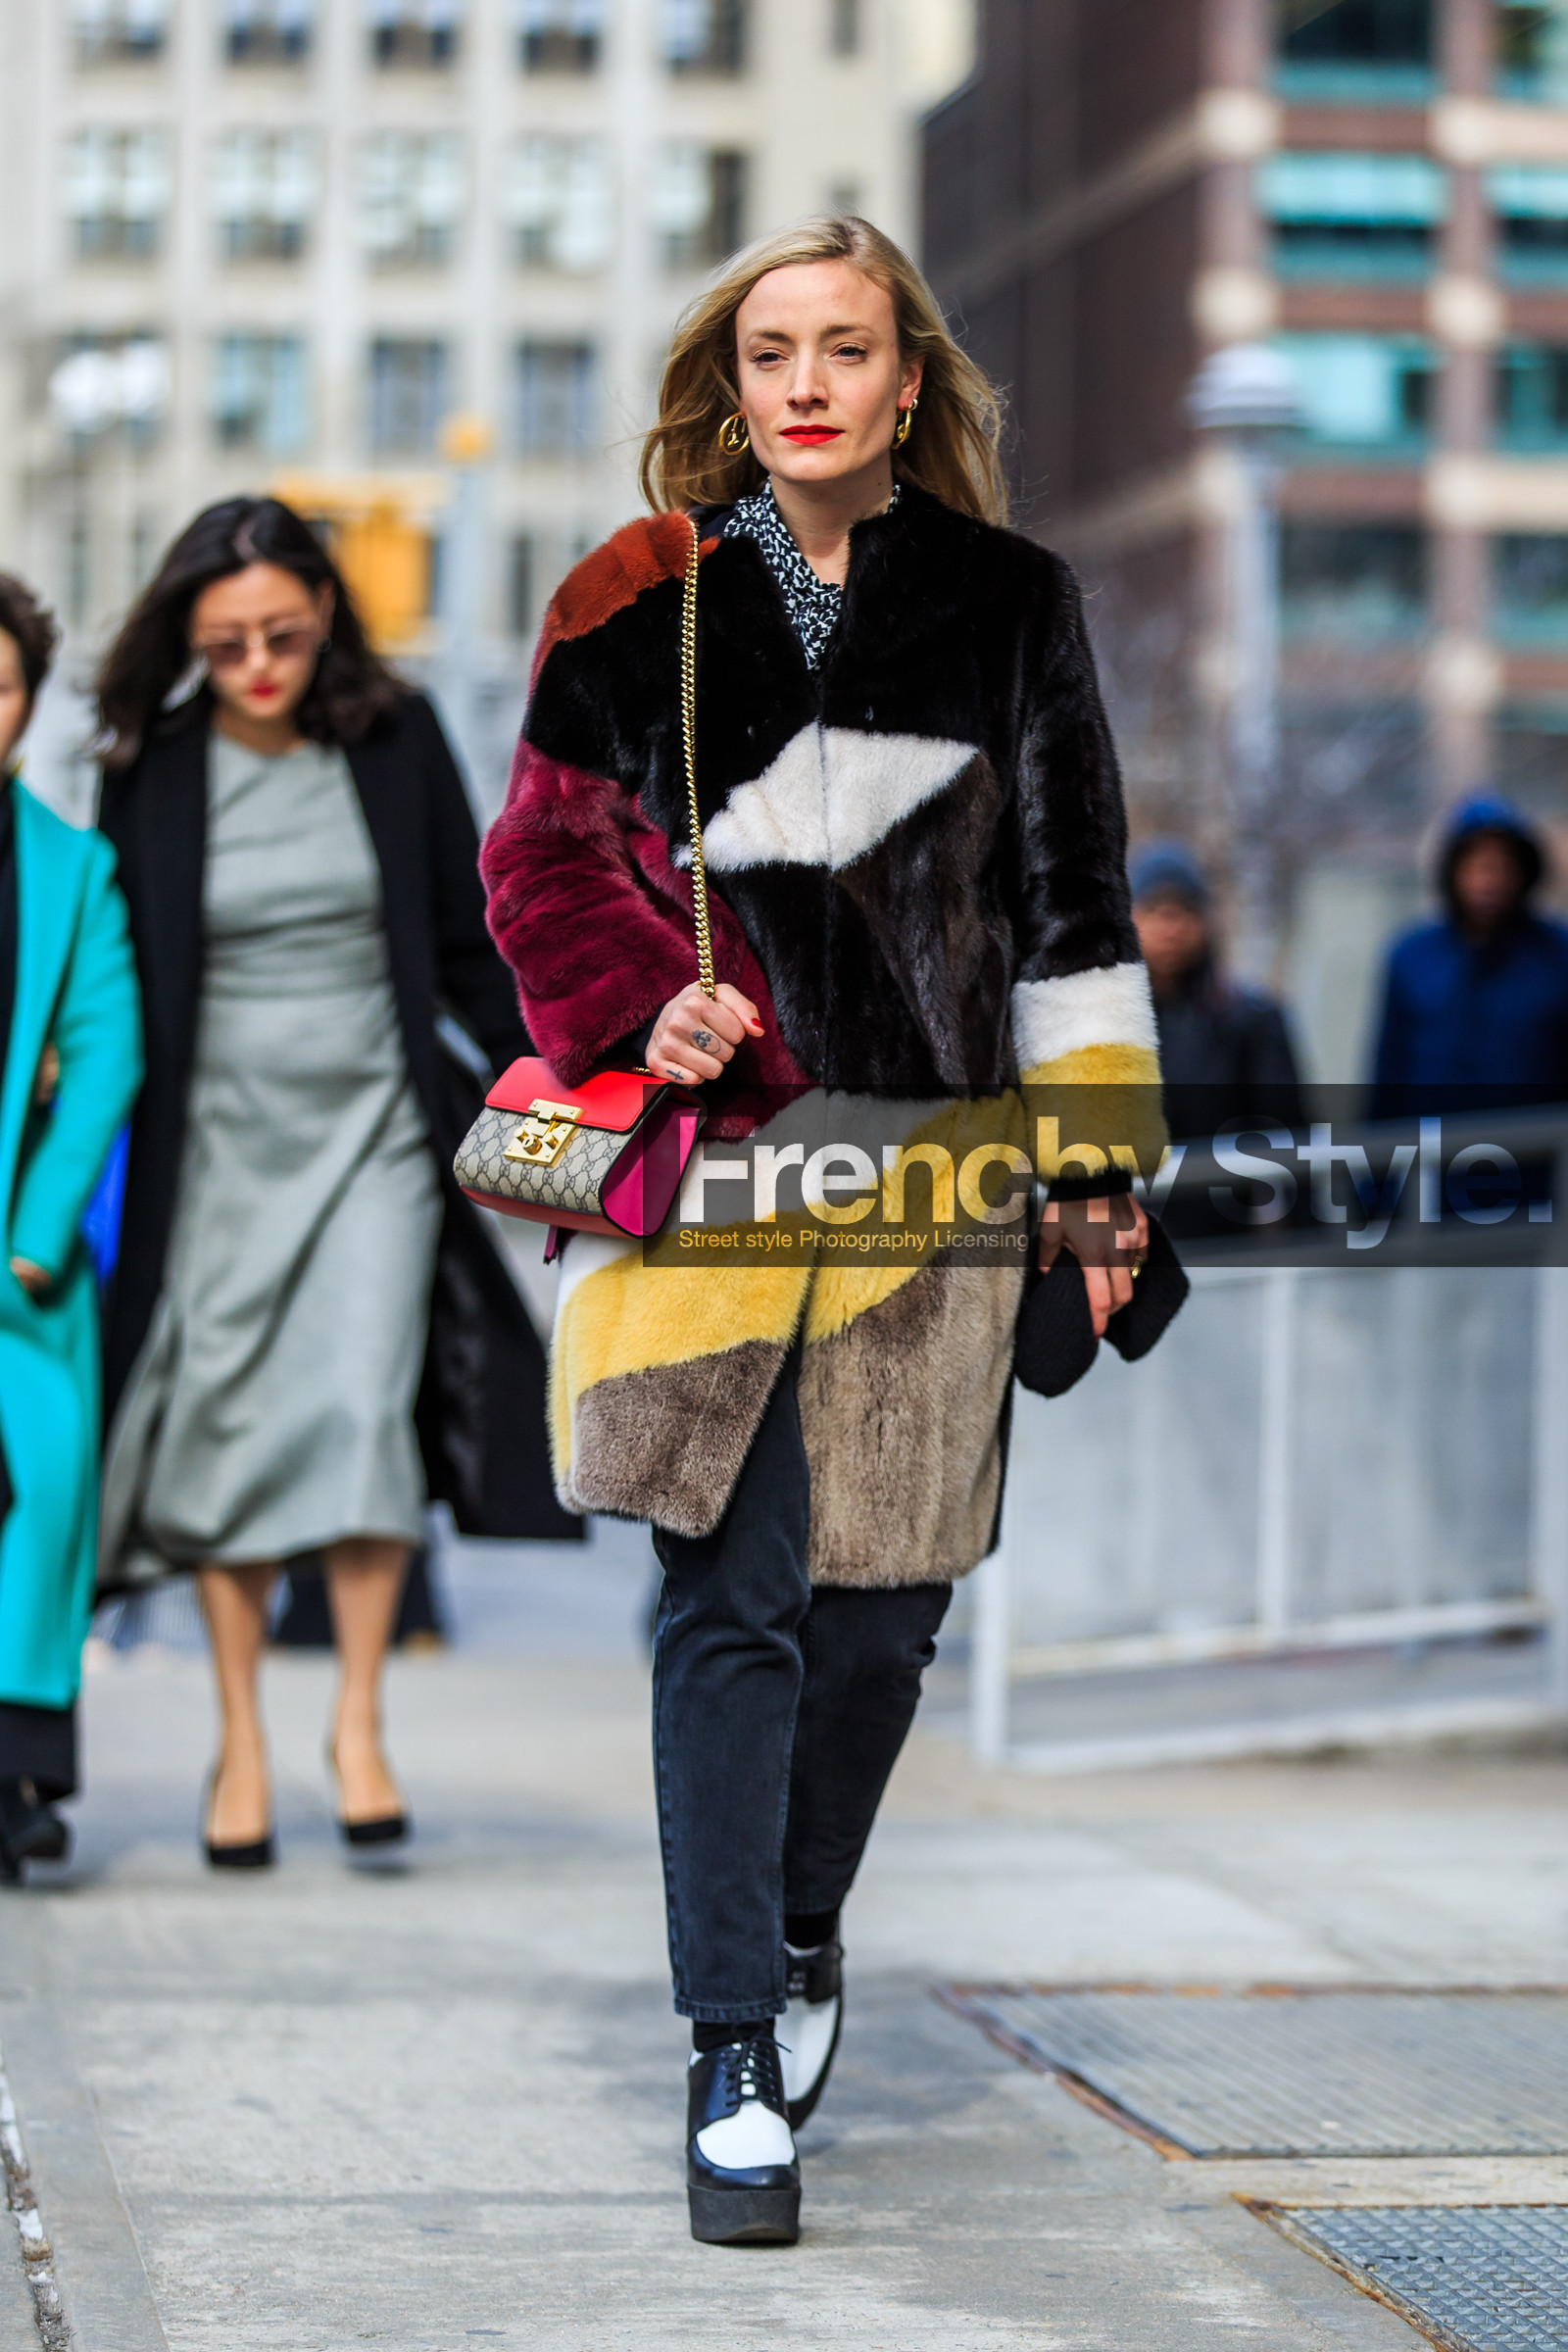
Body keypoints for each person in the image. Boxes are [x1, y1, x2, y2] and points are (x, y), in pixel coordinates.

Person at [480, 215, 1162, 2245]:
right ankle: (725, 2047)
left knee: (881, 1619)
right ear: (731, 378)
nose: (800, 380)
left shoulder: (1012, 607)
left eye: (840, 347)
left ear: (903, 382)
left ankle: (789, 1927)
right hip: (718, 1178)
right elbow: (537, 860)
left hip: (937, 1184)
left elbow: (1074, 901)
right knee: (733, 1595)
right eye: (768, 346)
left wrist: (1097, 1164)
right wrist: (636, 997)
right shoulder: (641, 596)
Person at [95, 497, 573, 1872]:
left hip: (375, 1132)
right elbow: (119, 972)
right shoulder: (153, 767)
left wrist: (548, 1103)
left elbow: (471, 943)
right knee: (227, 1439)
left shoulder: (396, 735)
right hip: (217, 1146)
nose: (257, 664)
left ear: (328, 616)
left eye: (284, 635)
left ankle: (358, 1721)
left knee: (365, 1410)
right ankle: (240, 1736)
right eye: (226, 642)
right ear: (187, 641)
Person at [0, 574, 141, 1879]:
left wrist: (39, 1233)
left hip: (13, 1265)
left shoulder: (73, 867)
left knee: (32, 1500)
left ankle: (16, 1774)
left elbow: (101, 1052)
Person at [1372, 794, 1568, 1109]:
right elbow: (1388, 1075)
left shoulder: (1558, 956)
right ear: (1452, 871)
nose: (1489, 880)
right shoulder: (1412, 956)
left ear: (1524, 872)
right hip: (1433, 1151)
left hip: (1538, 1151)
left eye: (1502, 866)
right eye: (1476, 865)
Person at [1130, 840, 1303, 1142]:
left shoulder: (1252, 1020)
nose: (1171, 927)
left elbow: (1290, 1137)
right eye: (1154, 908)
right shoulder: (1099, 1026)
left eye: (1185, 908)